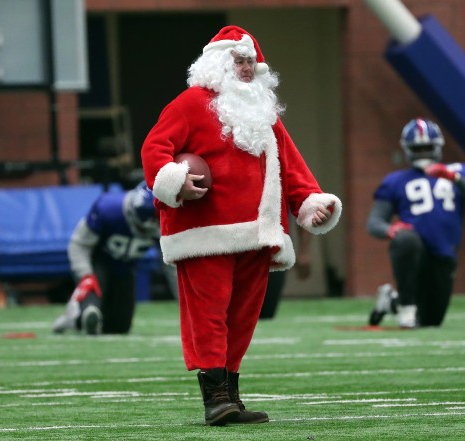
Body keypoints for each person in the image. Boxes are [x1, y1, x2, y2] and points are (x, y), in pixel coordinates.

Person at [140, 25, 342, 426]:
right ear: (219, 64)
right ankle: (215, 397)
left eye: (252, 60)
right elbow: (154, 148)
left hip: (258, 232)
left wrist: (309, 203)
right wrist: (176, 180)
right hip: (205, 235)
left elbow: (291, 165)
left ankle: (231, 394)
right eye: (240, 60)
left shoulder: (264, 111)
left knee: (243, 316)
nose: (248, 67)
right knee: (209, 314)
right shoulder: (190, 104)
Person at [366, 118, 465, 328]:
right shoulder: (395, 180)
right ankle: (405, 309)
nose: (423, 152)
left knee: (431, 321)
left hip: (444, 253)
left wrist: (453, 177)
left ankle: (391, 301)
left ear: (437, 147)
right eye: (418, 148)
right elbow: (374, 222)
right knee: (405, 240)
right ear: (408, 150)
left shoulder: (459, 172)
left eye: (427, 147)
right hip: (414, 250)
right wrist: (391, 230)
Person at [52, 181, 178, 335]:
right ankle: (77, 314)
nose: (155, 223)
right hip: (98, 261)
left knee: (120, 326)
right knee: (92, 290)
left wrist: (185, 301)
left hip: (125, 267)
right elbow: (78, 245)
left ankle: (81, 317)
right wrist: (84, 274)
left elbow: (172, 265)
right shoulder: (109, 209)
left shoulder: (163, 220)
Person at [259, 223, 311, 320]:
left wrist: (304, 251)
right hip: (237, 248)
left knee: (266, 313)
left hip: (275, 249)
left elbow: (301, 209)